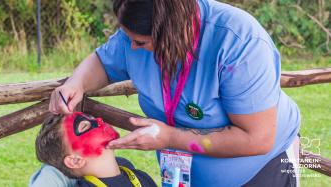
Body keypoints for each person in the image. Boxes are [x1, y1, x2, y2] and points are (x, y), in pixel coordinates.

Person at [46, 0, 301, 186]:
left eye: (141, 42)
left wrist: (169, 138)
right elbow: (104, 61)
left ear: (173, 32)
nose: (132, 48)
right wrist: (76, 84)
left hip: (262, 172)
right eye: (129, 39)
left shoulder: (238, 43)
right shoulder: (139, 30)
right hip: (183, 176)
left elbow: (258, 139)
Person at [29, 112, 157, 187]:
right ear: (75, 161)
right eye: (85, 126)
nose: (99, 120)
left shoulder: (141, 177)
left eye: (93, 118)